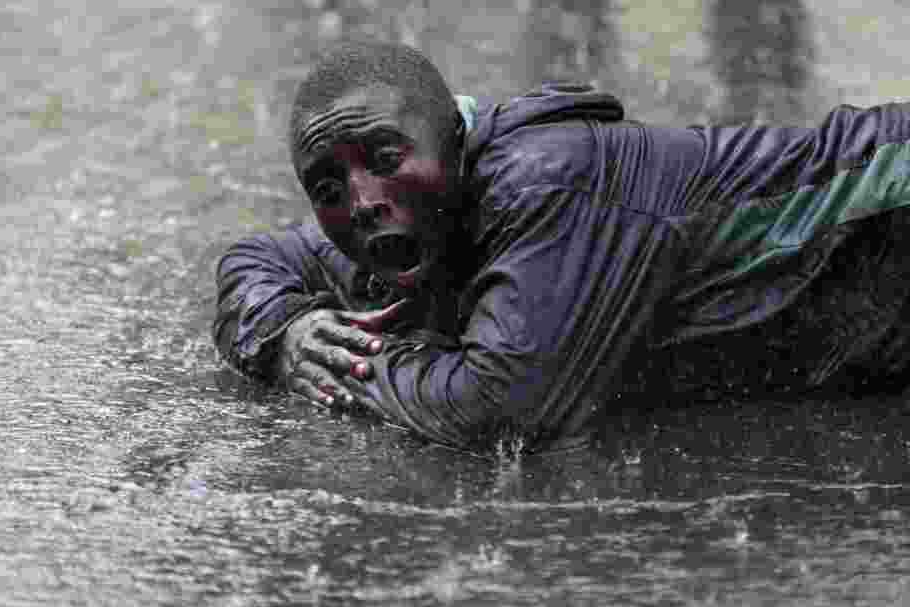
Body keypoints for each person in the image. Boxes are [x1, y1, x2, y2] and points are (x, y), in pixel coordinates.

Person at [213, 40, 910, 451]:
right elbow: (256, 260)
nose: (362, 202)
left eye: (387, 156)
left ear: (455, 139)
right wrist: (285, 332)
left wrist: (347, 367)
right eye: (328, 188)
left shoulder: (545, 178)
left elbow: (501, 409)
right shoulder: (406, 213)